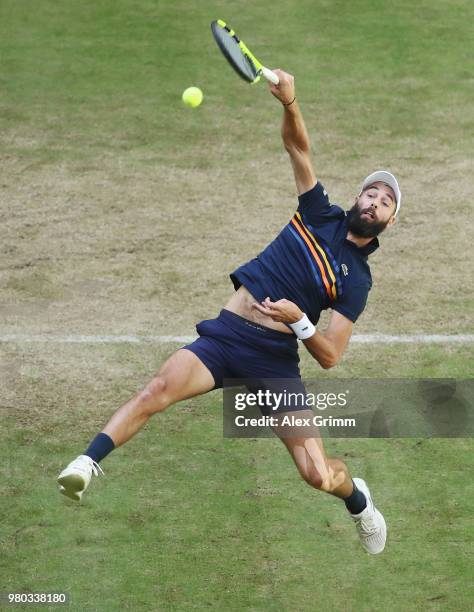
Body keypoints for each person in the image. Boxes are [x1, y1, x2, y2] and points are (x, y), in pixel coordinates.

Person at [58, 69, 401, 555]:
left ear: (389, 221)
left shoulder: (358, 281)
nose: (376, 201)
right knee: (156, 390)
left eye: (386, 201)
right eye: (372, 192)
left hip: (274, 362)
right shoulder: (319, 212)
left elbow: (331, 355)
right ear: (358, 198)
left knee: (317, 474)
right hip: (226, 338)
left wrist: (297, 320)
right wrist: (290, 103)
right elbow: (298, 149)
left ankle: (359, 500)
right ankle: (85, 464)